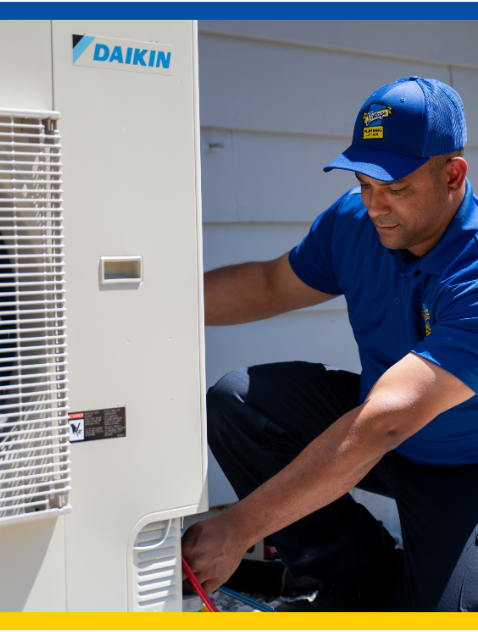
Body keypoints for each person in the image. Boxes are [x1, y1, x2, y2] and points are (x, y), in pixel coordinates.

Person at [181, 76, 478, 612]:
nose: (376, 206)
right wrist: (144, 308)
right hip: (386, 435)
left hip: (463, 466)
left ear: (453, 175)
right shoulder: (355, 221)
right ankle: (356, 580)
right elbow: (269, 285)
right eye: (365, 184)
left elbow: (385, 420)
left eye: (396, 188)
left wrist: (236, 528)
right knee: (240, 402)